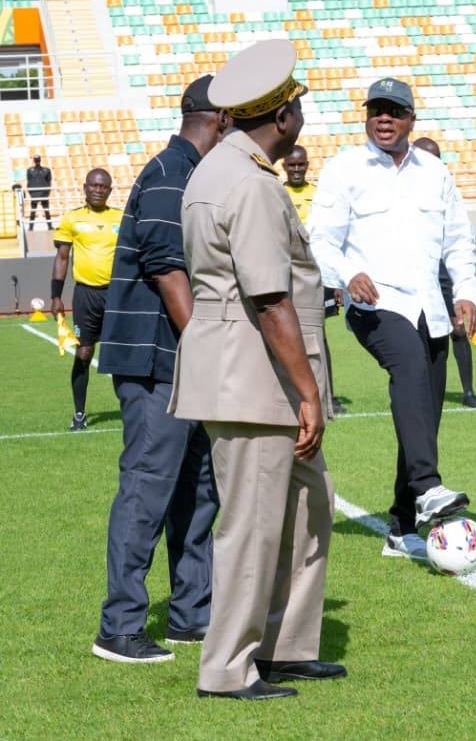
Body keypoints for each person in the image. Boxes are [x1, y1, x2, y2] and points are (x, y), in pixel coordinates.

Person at [171, 39, 344, 700]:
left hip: (245, 373)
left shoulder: (221, 170)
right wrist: (307, 392)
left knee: (307, 506)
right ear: (280, 117)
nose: (300, 112)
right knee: (251, 525)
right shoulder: (248, 183)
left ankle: (284, 646)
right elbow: (269, 298)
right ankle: (227, 669)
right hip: (255, 380)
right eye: (295, 103)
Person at [308, 77, 476, 561]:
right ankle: (427, 486)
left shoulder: (434, 173)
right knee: (406, 365)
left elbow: (459, 241)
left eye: (394, 111)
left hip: (432, 308)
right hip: (375, 304)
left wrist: (465, 293)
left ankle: (402, 526)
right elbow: (319, 240)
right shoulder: (344, 169)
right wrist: (347, 274)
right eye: (376, 110)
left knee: (423, 413)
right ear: (366, 118)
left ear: (411, 120)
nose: (384, 118)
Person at [90, 76, 228, 664]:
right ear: (218, 121)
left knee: (197, 490)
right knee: (147, 488)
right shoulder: (172, 175)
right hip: (158, 363)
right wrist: (209, 352)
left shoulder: (183, 173)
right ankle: (119, 626)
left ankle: (190, 616)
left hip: (176, 361)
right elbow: (168, 272)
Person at [413, 136, 476, 408]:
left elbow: (460, 234)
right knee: (421, 333)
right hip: (417, 272)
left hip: (443, 270)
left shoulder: (445, 188)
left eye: (436, 157)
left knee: (457, 328)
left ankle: (468, 392)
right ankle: (422, 389)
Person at [51, 168, 122, 430]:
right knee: (84, 352)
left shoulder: (122, 218)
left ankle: (130, 410)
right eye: (93, 185)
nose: (98, 190)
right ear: (84, 187)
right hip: (85, 295)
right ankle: (79, 413)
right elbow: (61, 258)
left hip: (116, 295)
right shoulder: (72, 219)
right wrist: (55, 296)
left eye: (103, 186)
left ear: (110, 191)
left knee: (120, 353)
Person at [283, 144, 345, 415]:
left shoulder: (318, 195)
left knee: (319, 336)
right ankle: (289, 392)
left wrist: (335, 280)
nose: (297, 169)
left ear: (308, 165)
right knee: (286, 333)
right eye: (292, 165)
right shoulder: (277, 193)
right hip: (287, 276)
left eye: (301, 165)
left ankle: (327, 394)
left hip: (317, 275)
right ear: (284, 166)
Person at [27, 153, 53, 229]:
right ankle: (31, 227)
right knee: (33, 211)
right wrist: (31, 193)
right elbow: (29, 182)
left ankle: (50, 226)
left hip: (44, 193)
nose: (37, 161)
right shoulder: (30, 170)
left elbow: (49, 181)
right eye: (36, 160)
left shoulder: (46, 170)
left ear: (40, 160)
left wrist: (47, 192)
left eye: (37, 160)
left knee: (46, 210)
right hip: (35, 194)